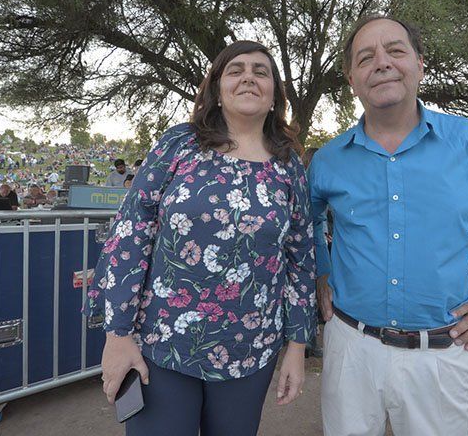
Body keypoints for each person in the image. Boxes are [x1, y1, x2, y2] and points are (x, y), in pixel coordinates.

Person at [308, 15, 468, 435]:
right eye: (366, 58)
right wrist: (322, 271)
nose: (382, 63)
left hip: (440, 354)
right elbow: (306, 223)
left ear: (420, 64)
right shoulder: (329, 159)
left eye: (395, 51)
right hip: (350, 349)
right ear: (352, 80)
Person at [87, 40, 316, 436]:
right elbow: (131, 234)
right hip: (163, 343)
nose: (248, 77)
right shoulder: (179, 144)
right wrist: (117, 335)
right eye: (236, 70)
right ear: (217, 88)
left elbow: (301, 257)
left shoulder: (288, 165)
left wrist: (297, 347)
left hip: (250, 350)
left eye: (260, 72)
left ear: (274, 94)